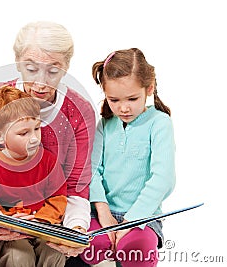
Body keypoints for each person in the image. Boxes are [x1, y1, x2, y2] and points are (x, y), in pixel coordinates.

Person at [0, 21, 96, 264]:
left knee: (54, 254)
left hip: (52, 220)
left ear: (66, 68)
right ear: (18, 63)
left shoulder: (79, 111)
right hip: (4, 218)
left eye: (53, 71)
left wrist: (75, 228)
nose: (41, 83)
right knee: (17, 256)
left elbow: (76, 183)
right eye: (31, 69)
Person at [80, 48, 176, 267]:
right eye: (113, 100)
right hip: (101, 212)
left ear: (149, 88)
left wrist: (131, 221)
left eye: (132, 98)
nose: (123, 108)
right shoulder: (105, 124)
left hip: (143, 216)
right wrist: (103, 212)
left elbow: (163, 178)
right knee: (91, 247)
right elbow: (93, 170)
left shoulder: (160, 123)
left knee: (136, 250)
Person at [0, 85, 68, 266]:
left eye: (37, 129)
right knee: (18, 256)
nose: (34, 138)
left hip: (43, 226)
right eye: (23, 133)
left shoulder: (47, 161)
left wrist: (41, 220)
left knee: (55, 251)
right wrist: (9, 222)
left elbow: (58, 197)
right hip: (11, 233)